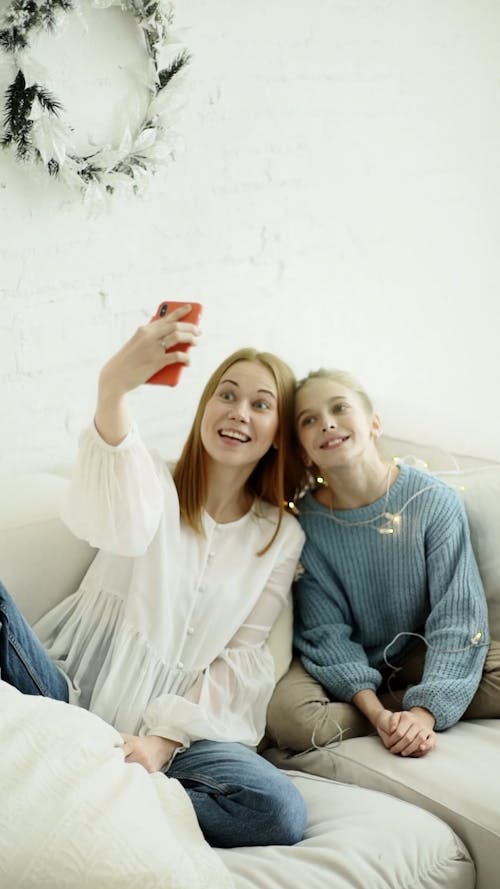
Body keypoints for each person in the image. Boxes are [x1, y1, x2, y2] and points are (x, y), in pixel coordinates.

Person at [0, 305, 307, 847]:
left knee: (277, 810)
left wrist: (162, 742)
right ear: (206, 406)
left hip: (176, 740)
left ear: (279, 432)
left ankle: (89, 782)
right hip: (68, 700)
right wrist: (113, 386)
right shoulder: (153, 481)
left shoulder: (281, 535)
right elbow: (116, 469)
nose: (239, 411)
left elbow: (238, 659)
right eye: (227, 394)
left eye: (261, 404)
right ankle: (93, 771)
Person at [266, 368, 500, 759]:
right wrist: (377, 714)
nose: (326, 422)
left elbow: (458, 616)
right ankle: (393, 714)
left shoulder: (432, 500)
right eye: (309, 420)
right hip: (350, 666)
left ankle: (416, 706)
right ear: (303, 448)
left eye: (339, 408)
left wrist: (425, 714)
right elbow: (325, 632)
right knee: (290, 719)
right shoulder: (307, 525)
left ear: (374, 423)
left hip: (423, 653)